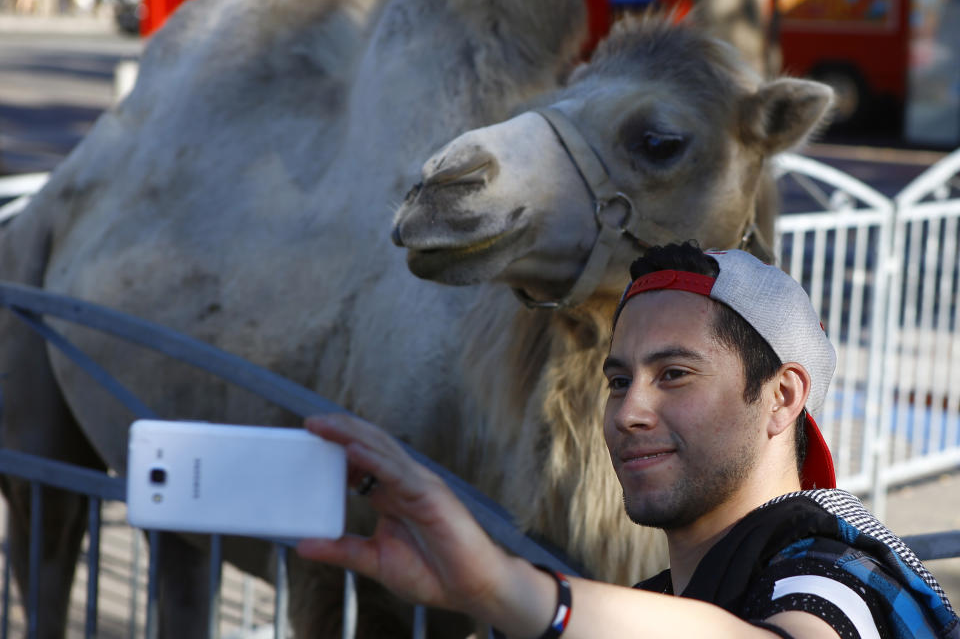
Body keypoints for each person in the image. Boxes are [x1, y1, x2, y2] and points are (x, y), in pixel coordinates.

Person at [296, 243, 959, 639]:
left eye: (674, 374)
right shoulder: (665, 601)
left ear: (782, 396)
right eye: (618, 379)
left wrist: (506, 588)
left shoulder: (843, 572)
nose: (628, 411)